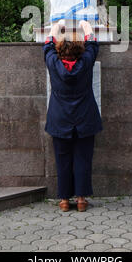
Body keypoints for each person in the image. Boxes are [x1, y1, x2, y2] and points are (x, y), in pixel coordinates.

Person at [43, 19, 102, 212]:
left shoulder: (53, 62)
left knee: (63, 160)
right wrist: (86, 27)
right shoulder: (86, 62)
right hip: (85, 118)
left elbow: (47, 46)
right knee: (83, 159)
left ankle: (64, 201)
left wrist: (56, 26)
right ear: (80, 49)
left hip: (60, 119)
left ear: (60, 48)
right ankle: (82, 199)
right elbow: (93, 44)